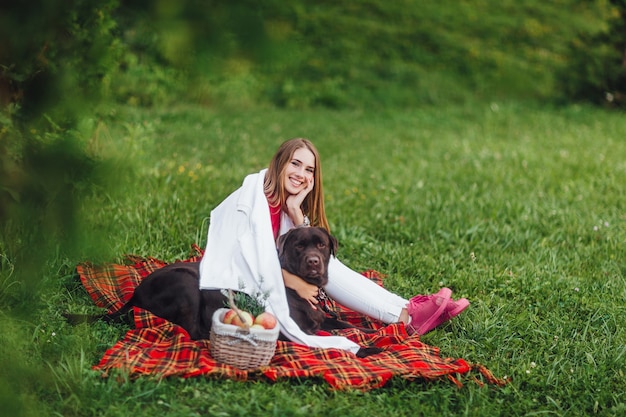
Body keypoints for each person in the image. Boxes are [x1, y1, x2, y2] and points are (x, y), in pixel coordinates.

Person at [199, 138, 468, 354]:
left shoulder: (284, 205)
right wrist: (294, 282)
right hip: (238, 286)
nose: (301, 174)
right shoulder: (249, 200)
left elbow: (303, 248)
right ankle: (405, 317)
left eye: (309, 170)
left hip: (268, 279)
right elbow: (242, 262)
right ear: (279, 163)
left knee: (325, 261)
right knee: (326, 266)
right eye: (296, 164)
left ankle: (408, 308)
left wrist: (296, 211)